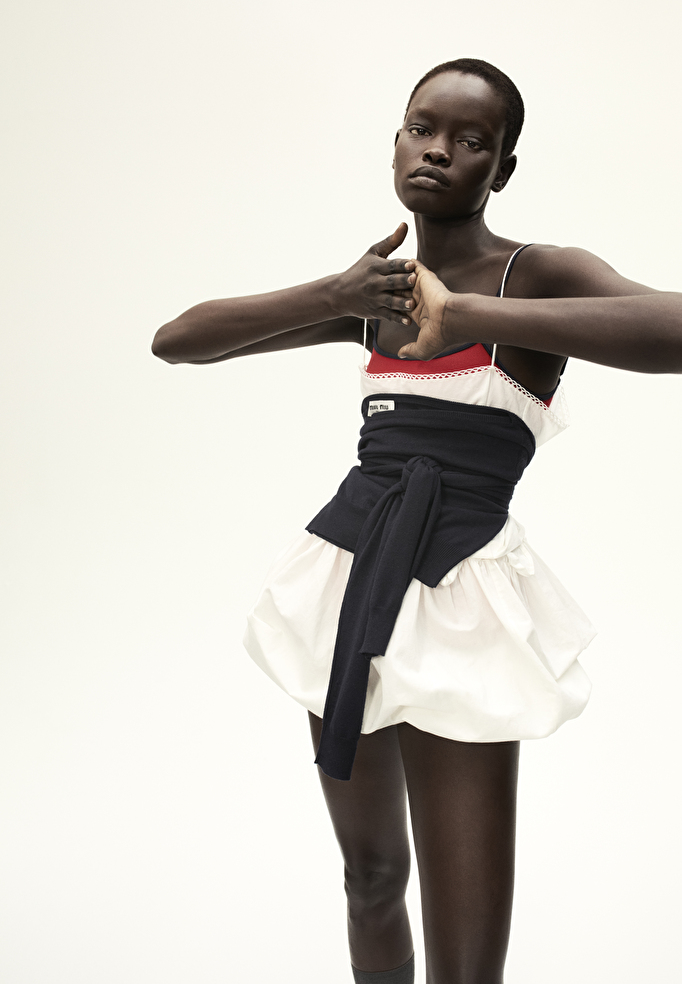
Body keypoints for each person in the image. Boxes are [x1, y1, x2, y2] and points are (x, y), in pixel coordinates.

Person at [152, 59, 682, 984]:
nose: (437, 151)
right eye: (420, 128)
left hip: (462, 597)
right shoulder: (377, 293)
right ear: (395, 141)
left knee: (466, 963)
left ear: (501, 169)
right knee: (369, 880)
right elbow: (177, 340)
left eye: (471, 140)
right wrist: (336, 296)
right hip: (350, 583)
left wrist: (467, 309)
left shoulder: (535, 274)